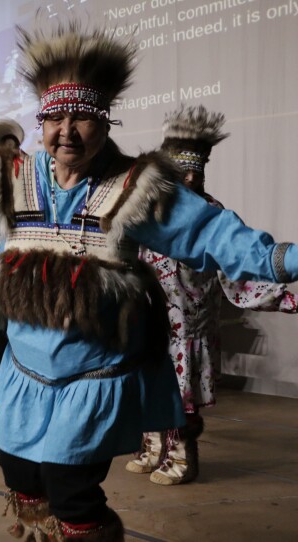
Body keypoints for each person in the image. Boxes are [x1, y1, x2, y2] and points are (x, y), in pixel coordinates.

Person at [0, 24, 298, 540]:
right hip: (26, 370)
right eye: (55, 118)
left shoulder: (136, 186)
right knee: (23, 479)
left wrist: (287, 260)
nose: (66, 131)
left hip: (95, 373)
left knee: (72, 492)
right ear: (42, 122)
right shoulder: (10, 179)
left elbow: (216, 234)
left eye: (82, 118)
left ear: (105, 121)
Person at [126, 105, 298, 486]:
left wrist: (285, 298)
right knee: (148, 387)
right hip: (150, 326)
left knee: (180, 397)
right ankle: (152, 447)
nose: (190, 178)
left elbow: (238, 274)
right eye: (182, 172)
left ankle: (181, 458)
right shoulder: (146, 213)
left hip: (188, 332)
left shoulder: (213, 215)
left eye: (197, 171)